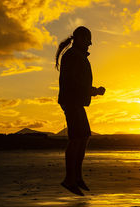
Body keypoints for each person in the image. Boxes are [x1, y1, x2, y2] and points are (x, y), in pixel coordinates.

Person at [55, 26, 105, 196]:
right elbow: (75, 83)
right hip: (71, 101)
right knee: (77, 139)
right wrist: (94, 91)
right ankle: (70, 179)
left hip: (75, 101)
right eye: (87, 40)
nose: (89, 44)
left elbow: (78, 82)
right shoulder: (72, 56)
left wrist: (92, 91)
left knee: (83, 137)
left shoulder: (77, 56)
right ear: (79, 39)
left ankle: (76, 177)